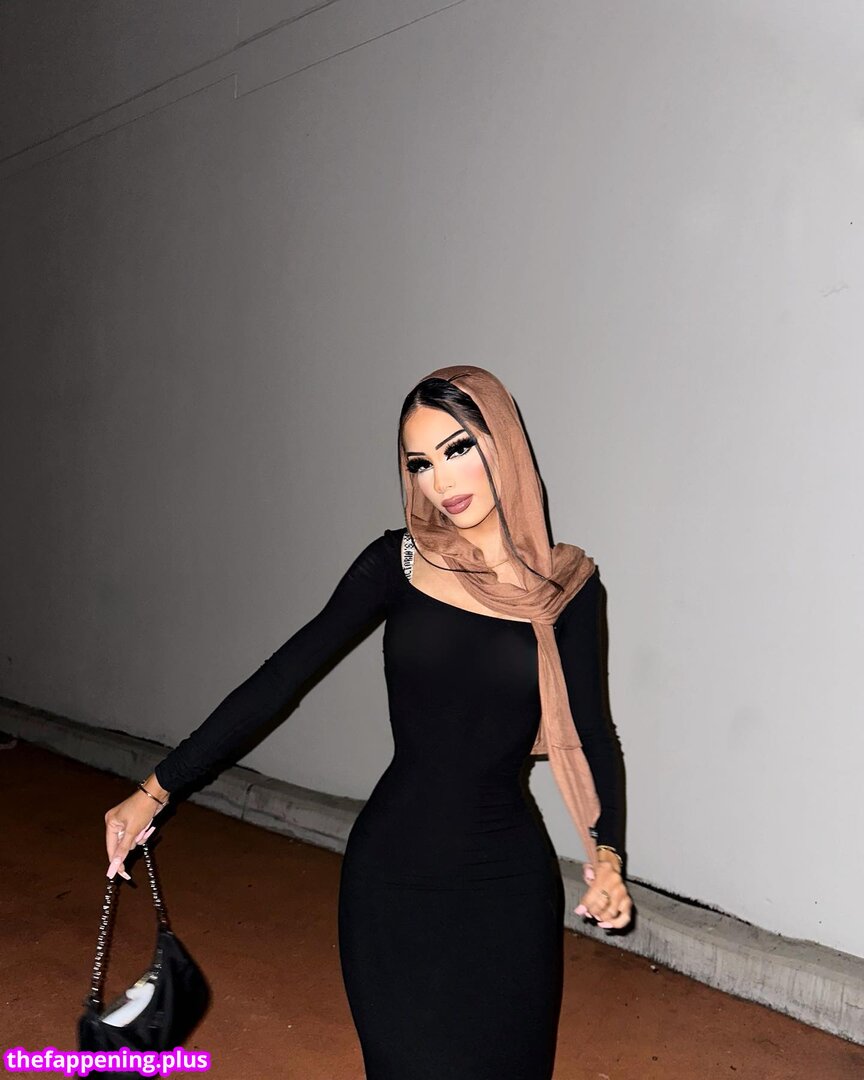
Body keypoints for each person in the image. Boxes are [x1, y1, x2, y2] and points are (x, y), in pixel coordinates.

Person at [104, 365, 633, 1079]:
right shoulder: (397, 563)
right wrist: (156, 789)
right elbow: (280, 679)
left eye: (458, 448)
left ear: (502, 443)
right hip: (394, 879)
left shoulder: (566, 590)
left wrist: (608, 858)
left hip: (507, 885)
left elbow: (593, 734)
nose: (441, 480)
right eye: (420, 463)